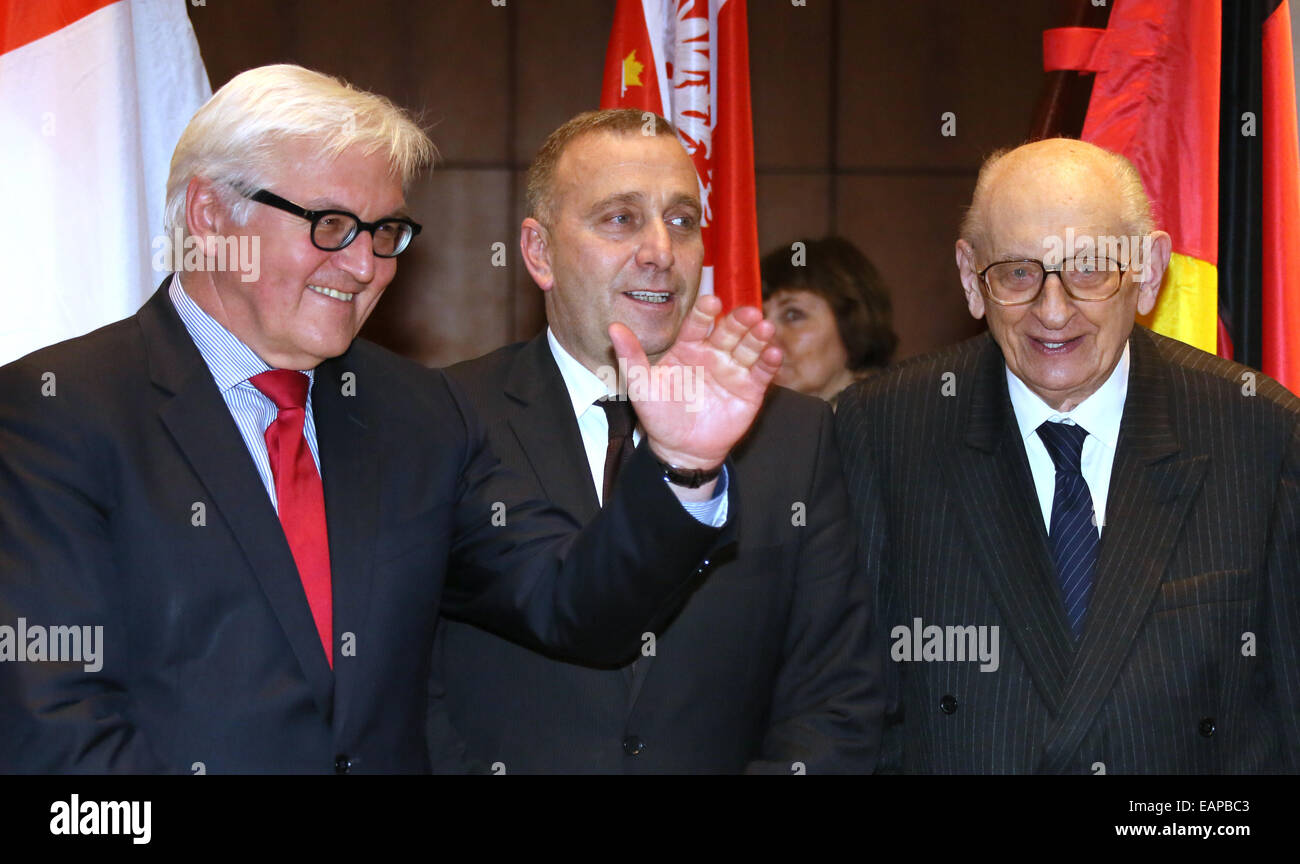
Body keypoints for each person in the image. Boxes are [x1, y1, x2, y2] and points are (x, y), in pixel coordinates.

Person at [0, 66, 783, 773]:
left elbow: (574, 608)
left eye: (384, 234)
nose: (365, 266)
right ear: (210, 214)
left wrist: (680, 465)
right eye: (331, 226)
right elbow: (56, 731)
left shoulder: (420, 416)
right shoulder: (59, 411)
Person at [426, 109, 880, 774]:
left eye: (682, 220)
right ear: (539, 252)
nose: (661, 251)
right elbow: (408, 685)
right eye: (620, 218)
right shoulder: (448, 418)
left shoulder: (794, 436)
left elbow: (836, 699)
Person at [836, 137, 1300, 773]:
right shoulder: (882, 432)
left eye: (1088, 267)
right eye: (1019, 273)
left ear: (1149, 271)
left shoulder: (1261, 437)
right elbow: (846, 716)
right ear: (973, 279)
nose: (1052, 312)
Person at [761, 235, 897, 405]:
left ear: (851, 322)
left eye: (792, 315)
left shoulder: (897, 421)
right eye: (760, 317)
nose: (763, 336)